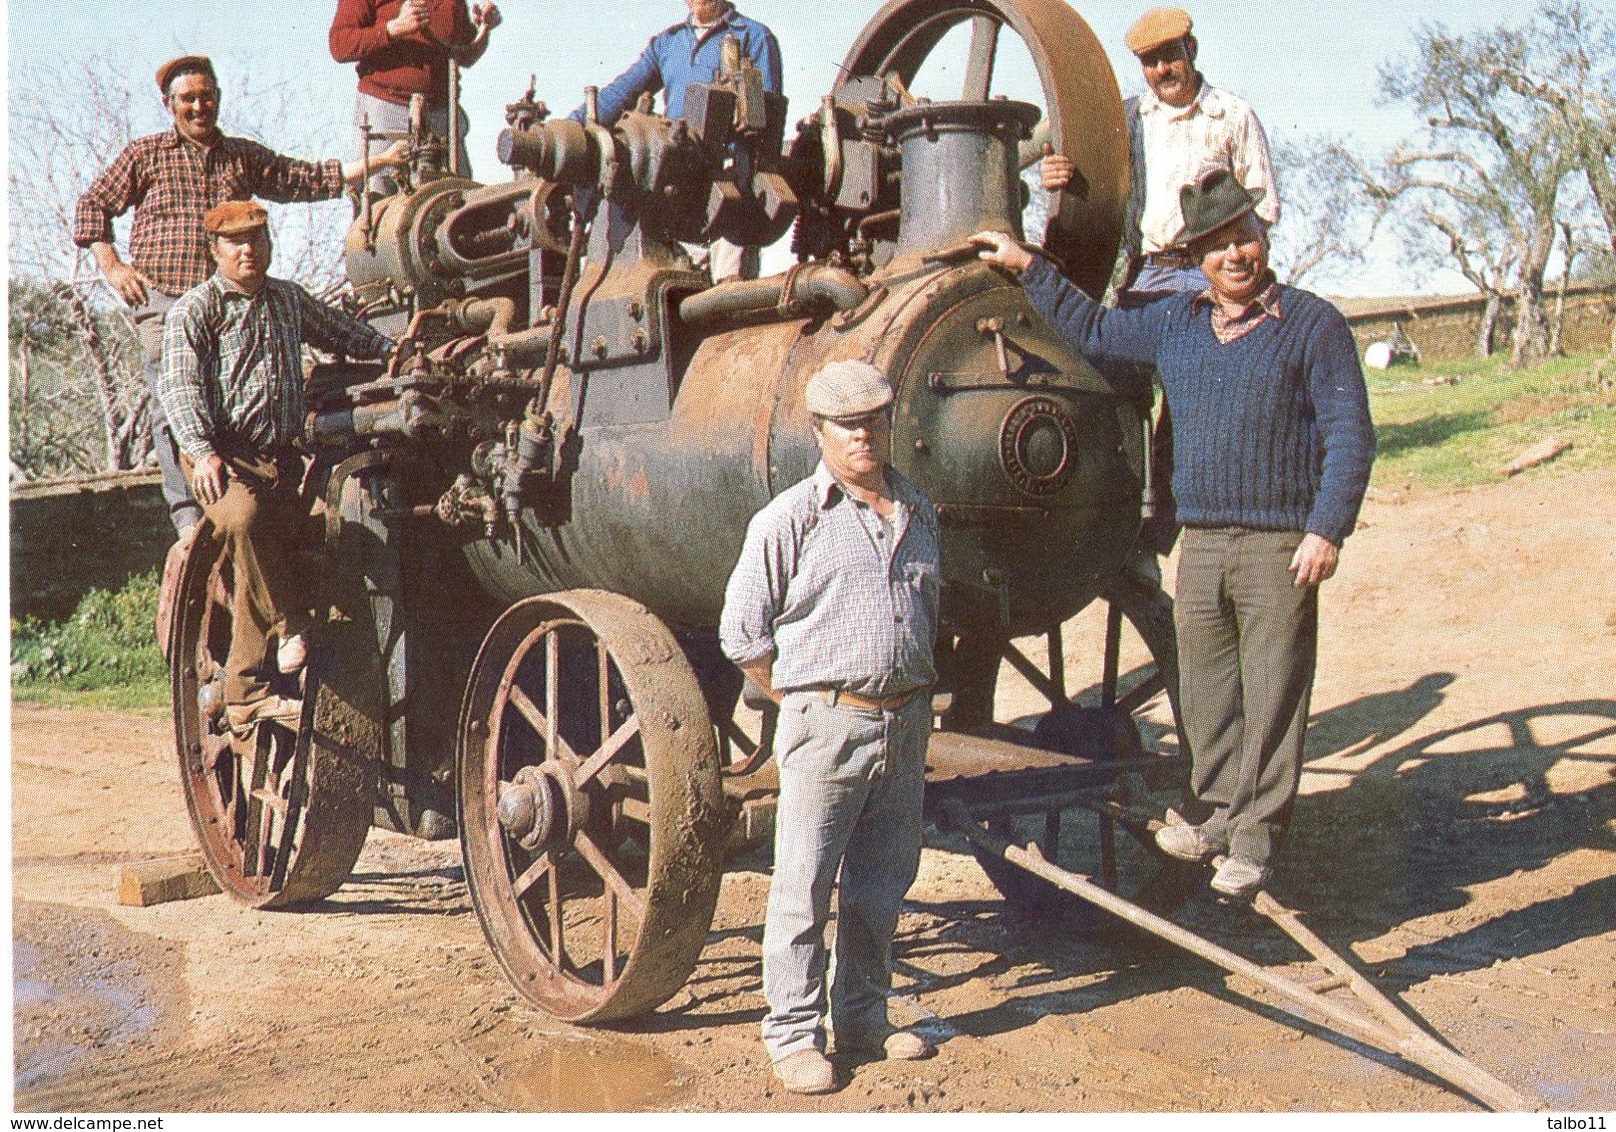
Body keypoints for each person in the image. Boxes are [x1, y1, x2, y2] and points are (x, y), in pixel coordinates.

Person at [973, 169, 1374, 900]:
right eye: (1217, 247)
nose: (1235, 257)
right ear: (1195, 259)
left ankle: (1255, 840)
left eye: (1243, 240)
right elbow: (1095, 330)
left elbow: (1351, 435)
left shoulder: (1314, 326)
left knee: (1273, 694)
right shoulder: (1175, 323)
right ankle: (1217, 818)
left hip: (1280, 545)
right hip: (1204, 543)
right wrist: (1030, 267)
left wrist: (1326, 529)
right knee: (1207, 691)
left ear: (1264, 238)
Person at [719, 360, 941, 1095]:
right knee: (804, 889)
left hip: (903, 728)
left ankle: (865, 1019)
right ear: (819, 433)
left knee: (881, 886)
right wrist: (807, 704)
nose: (864, 435)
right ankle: (791, 1033)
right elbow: (742, 633)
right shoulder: (789, 519)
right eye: (848, 425)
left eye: (875, 420)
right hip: (826, 726)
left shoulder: (918, 511)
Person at [73, 54, 404, 543]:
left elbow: (302, 178)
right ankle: (188, 515)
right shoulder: (145, 154)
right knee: (173, 394)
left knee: (251, 392)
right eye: (188, 98)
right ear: (171, 105)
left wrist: (378, 162)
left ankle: (254, 492)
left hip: (230, 303)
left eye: (206, 96)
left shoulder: (239, 156)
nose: (198, 106)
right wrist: (113, 266)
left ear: (218, 99)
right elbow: (92, 205)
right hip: (166, 296)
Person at [1041, 8, 1280, 580]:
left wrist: (1231, 272)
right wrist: (1060, 176)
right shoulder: (1129, 122)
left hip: (1208, 275)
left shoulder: (1232, 116)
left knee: (1199, 394)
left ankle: (1181, 521)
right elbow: (1098, 181)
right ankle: (1124, 531)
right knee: (1112, 382)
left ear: (1191, 50)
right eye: (1150, 62)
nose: (1162, 70)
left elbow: (1263, 205)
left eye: (1170, 56)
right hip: (1148, 275)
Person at [157, 200, 396, 734]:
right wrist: (202, 448)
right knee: (241, 521)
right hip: (218, 453)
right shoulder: (197, 310)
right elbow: (178, 386)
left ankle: (244, 691)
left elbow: (340, 331)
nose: (248, 251)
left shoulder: (286, 299)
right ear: (214, 250)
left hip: (279, 458)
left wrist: (394, 350)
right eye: (236, 242)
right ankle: (289, 623)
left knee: (314, 533)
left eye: (257, 240)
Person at [575, 0, 783, 282]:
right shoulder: (667, 44)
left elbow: (768, 125)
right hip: (675, 196)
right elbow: (619, 95)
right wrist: (570, 128)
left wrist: (748, 116)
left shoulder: (755, 37)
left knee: (729, 302)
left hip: (730, 199)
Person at [330, 0, 502, 192]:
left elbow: (462, 54)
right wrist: (392, 29)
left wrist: (483, 30)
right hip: (385, 113)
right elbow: (339, 44)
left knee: (459, 202)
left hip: (442, 116)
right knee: (379, 205)